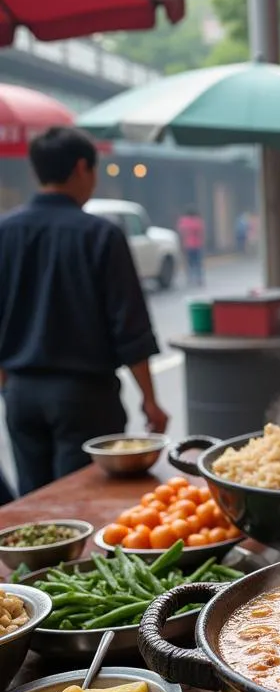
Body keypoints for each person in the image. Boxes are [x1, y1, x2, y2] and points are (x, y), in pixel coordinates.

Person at [0, 127, 168, 495]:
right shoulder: (100, 235)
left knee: (35, 506)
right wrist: (151, 401)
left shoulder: (5, 231)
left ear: (36, 172)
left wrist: (9, 383)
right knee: (87, 502)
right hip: (85, 399)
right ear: (82, 168)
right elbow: (130, 327)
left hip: (20, 394)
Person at [177, 206, 206, 287]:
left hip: (187, 245)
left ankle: (190, 279)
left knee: (189, 263)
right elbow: (201, 233)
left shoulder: (183, 221)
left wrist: (181, 245)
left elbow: (182, 234)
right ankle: (199, 279)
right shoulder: (198, 221)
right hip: (197, 245)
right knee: (198, 263)